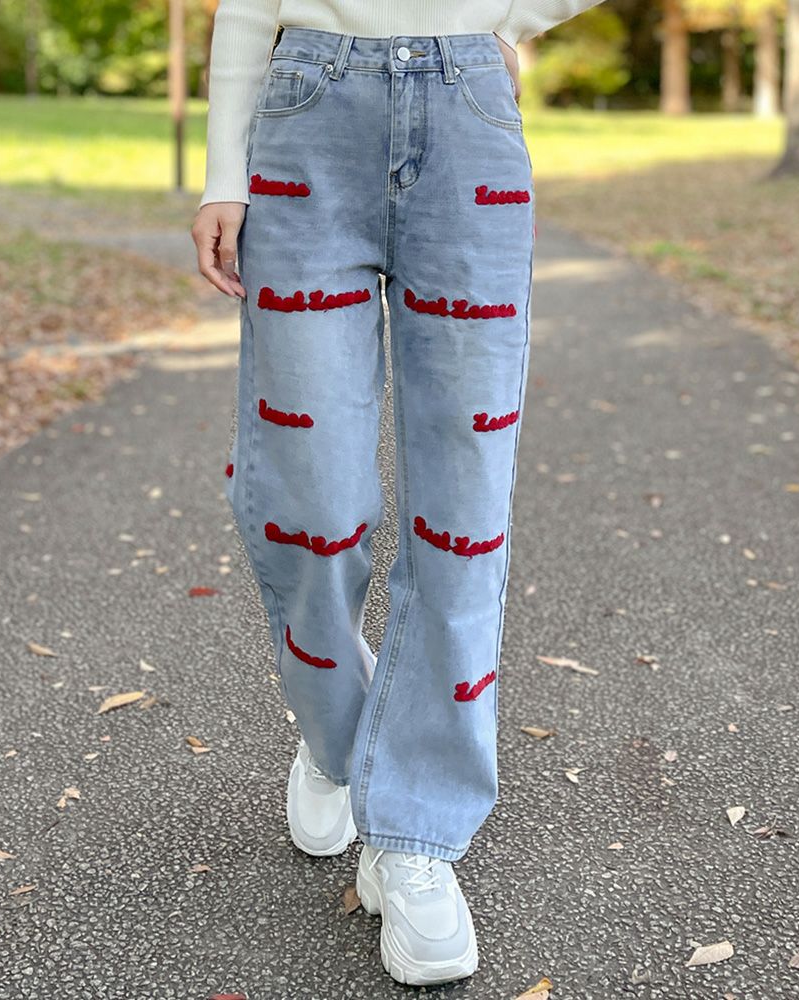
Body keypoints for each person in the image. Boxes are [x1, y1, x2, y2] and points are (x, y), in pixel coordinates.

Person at [191, 1, 605, 987]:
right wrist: (221, 176)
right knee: (309, 505)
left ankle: (415, 834)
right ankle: (341, 733)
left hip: (468, 123)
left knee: (463, 514)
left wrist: (511, 19)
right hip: (307, 123)